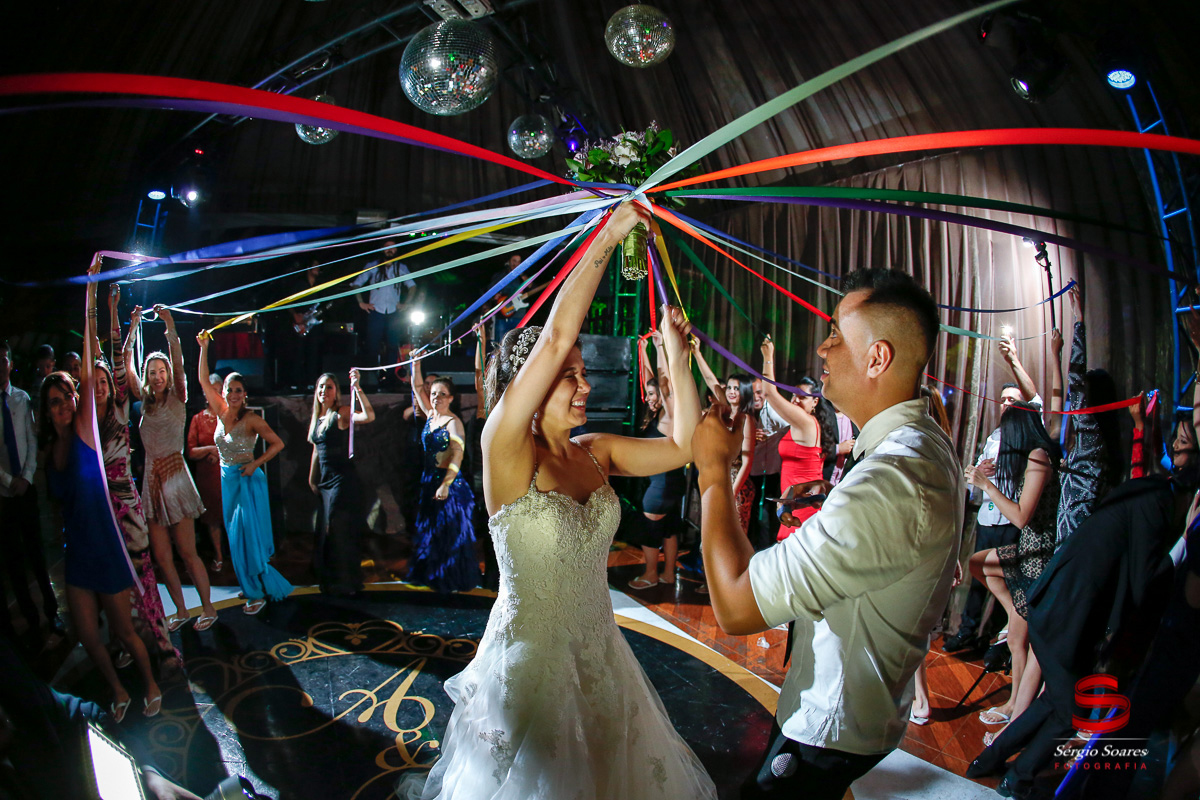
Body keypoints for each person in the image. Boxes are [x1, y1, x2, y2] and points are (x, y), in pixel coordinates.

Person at [399, 202, 716, 799]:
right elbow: (555, 336)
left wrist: (676, 354)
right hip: (531, 667)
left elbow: (683, 445)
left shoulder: (596, 451)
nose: (587, 384)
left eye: (582, 374)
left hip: (600, 654)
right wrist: (614, 231)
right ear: (535, 386)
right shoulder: (504, 448)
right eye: (571, 375)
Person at [692, 268, 962, 799]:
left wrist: (711, 473)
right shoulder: (917, 445)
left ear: (877, 358)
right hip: (854, 714)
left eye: (836, 333)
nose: (823, 347)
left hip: (828, 726)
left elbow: (736, 604)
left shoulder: (893, 482)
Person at [40, 256, 162, 722]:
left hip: (107, 545)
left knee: (125, 631)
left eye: (69, 396)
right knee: (91, 637)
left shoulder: (90, 431)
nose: (64, 405)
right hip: (78, 553)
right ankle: (117, 689)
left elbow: (95, 350)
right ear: (47, 411)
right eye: (54, 402)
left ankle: (150, 682)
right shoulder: (53, 452)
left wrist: (91, 289)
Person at [90, 287, 175, 671]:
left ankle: (157, 638)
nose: (104, 385)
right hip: (100, 505)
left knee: (144, 571)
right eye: (98, 383)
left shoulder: (123, 406)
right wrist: (100, 301)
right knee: (111, 577)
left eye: (108, 381)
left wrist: (117, 314)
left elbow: (117, 354)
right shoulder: (87, 419)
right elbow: (100, 351)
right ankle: (125, 639)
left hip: (128, 501)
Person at [965, 401, 1061, 733]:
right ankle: (1011, 613)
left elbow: (1022, 516)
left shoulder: (1038, 456)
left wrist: (987, 486)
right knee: (978, 562)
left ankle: (1014, 710)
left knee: (1018, 643)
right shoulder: (1032, 456)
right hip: (1026, 550)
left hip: (1039, 557)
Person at [128, 305, 218, 632]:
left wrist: (169, 325)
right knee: (162, 557)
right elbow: (126, 363)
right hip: (151, 479)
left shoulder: (178, 396)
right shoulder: (143, 400)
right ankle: (181, 610)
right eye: (152, 371)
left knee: (187, 552)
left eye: (161, 371)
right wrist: (134, 325)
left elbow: (179, 359)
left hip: (176, 478)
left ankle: (208, 608)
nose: (157, 376)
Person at [197, 335, 292, 615]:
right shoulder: (219, 411)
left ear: (245, 393)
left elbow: (278, 444)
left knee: (248, 536)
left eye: (239, 390)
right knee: (234, 536)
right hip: (228, 481)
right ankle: (249, 585)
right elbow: (203, 380)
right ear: (223, 392)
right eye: (230, 389)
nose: (234, 394)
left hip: (248, 481)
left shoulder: (252, 419)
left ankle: (258, 592)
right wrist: (204, 349)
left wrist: (255, 464)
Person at [0, 340, 61, 649]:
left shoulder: (22, 399)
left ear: (10, 363)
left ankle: (52, 613)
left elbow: (31, 442)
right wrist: (9, 480)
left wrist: (25, 477)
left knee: (38, 554)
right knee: (12, 559)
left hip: (25, 487)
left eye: (3, 360)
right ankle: (28, 618)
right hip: (3, 492)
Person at [407, 359, 477, 593]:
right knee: (432, 532)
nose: (436, 398)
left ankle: (450, 580)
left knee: (448, 535)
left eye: (442, 394)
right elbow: (418, 388)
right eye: (434, 394)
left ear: (450, 398)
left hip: (449, 485)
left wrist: (446, 484)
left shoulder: (453, 422)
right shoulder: (430, 416)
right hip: (429, 482)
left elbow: (458, 455)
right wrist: (415, 365)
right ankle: (433, 575)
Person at [307, 369, 375, 596]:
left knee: (337, 530)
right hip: (325, 481)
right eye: (321, 387)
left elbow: (368, 416)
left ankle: (346, 582)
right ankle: (329, 579)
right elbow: (316, 450)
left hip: (342, 480)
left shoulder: (341, 413)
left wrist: (357, 388)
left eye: (329, 387)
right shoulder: (318, 417)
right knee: (325, 532)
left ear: (336, 393)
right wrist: (312, 478)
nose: (324, 391)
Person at [628, 332, 687, 589]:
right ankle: (668, 574)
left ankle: (651, 574)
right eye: (649, 395)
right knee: (669, 528)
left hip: (661, 485)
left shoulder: (669, 418)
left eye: (655, 395)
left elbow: (664, 383)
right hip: (673, 482)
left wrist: (661, 347)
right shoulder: (661, 416)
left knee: (649, 531)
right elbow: (654, 381)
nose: (651, 398)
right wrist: (644, 351)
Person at [758, 339, 823, 541]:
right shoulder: (797, 423)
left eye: (801, 396)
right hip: (794, 504)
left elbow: (769, 393)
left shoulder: (806, 422)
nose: (795, 400)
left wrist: (768, 357)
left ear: (815, 402)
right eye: (793, 395)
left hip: (804, 507)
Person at [692, 346, 757, 533]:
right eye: (729, 388)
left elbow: (747, 461)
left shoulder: (746, 420)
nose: (731, 392)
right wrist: (697, 353)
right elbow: (712, 381)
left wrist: (732, 492)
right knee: (711, 534)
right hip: (717, 478)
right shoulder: (724, 411)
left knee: (730, 534)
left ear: (744, 391)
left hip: (736, 483)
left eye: (736, 388)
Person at [351, 240, 416, 371]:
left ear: (396, 250)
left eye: (392, 247)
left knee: (393, 345)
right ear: (382, 249)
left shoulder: (401, 267)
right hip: (376, 311)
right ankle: (372, 378)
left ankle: (391, 378)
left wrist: (406, 304)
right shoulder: (373, 266)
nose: (389, 250)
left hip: (393, 311)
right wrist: (361, 303)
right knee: (372, 346)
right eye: (387, 247)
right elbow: (356, 284)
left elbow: (412, 286)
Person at [186, 376, 226, 572]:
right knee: (212, 519)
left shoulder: (229, 416)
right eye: (213, 390)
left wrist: (219, 453)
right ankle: (218, 555)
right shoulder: (197, 419)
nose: (216, 394)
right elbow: (191, 451)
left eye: (220, 390)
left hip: (227, 475)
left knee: (231, 516)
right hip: (207, 478)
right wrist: (211, 449)